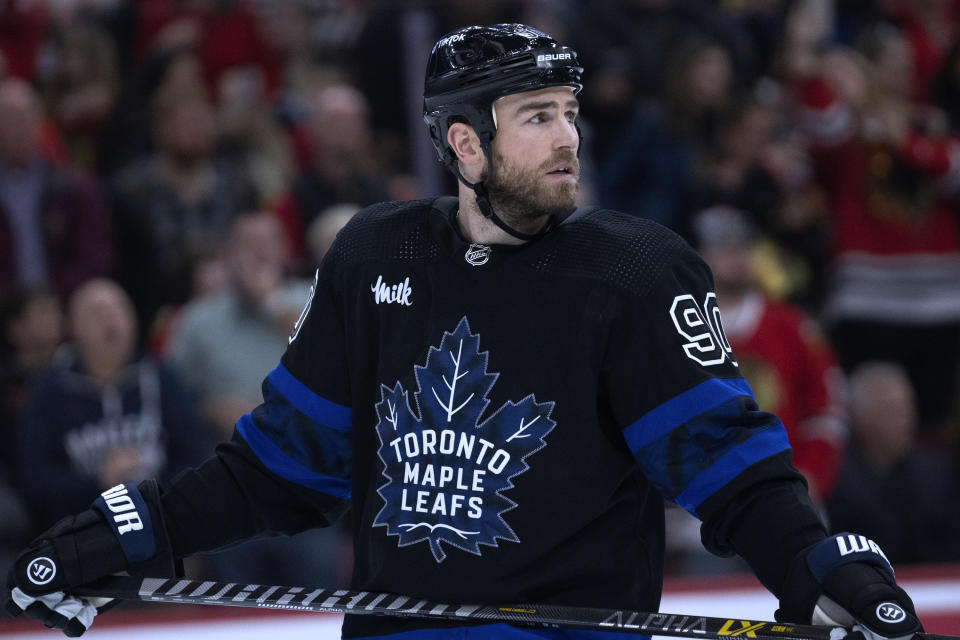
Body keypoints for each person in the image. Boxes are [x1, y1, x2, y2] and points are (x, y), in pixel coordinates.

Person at [5, 24, 923, 640]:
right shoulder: (375, 252)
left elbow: (729, 472)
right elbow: (283, 468)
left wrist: (815, 564)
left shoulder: (634, 271)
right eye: (536, 117)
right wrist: (134, 530)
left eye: (567, 111)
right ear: (463, 146)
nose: (568, 138)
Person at [12, 278, 206, 531]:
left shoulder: (162, 378)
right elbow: (34, 478)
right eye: (97, 313)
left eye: (119, 309)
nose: (111, 320)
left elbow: (193, 457)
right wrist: (98, 482)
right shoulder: (51, 391)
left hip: (163, 523)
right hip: (81, 532)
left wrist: (152, 496)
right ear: (73, 327)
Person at [827, 362, 960, 564]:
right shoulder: (834, 479)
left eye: (909, 406)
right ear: (860, 416)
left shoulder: (935, 476)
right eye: (892, 409)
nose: (907, 418)